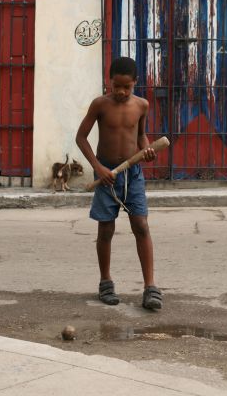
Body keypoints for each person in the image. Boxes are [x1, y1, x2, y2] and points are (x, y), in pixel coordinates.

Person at [76, 56, 162, 310]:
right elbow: (81, 137)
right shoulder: (100, 105)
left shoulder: (142, 105)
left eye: (127, 87)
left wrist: (146, 150)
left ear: (136, 82)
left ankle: (150, 287)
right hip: (107, 175)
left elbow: (142, 136)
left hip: (132, 175)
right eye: (117, 86)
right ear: (109, 82)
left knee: (141, 226)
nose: (122, 92)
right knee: (106, 229)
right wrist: (98, 167)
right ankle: (106, 283)